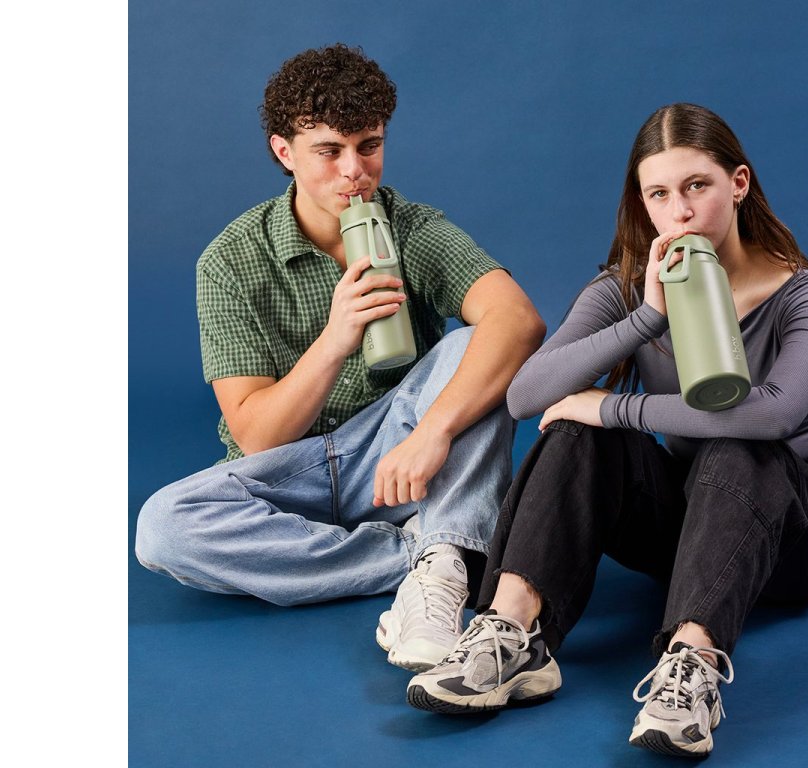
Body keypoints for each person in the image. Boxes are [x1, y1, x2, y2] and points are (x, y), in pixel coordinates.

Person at [405, 103, 808, 758]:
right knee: (576, 433)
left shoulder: (807, 293)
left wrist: (615, 407)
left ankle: (691, 669)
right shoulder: (628, 288)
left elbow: (774, 414)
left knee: (731, 441)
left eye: (697, 185)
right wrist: (647, 316)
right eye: (659, 194)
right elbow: (527, 395)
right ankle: (513, 634)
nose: (681, 211)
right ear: (643, 203)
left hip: (799, 534)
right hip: (695, 530)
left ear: (738, 183)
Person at [134, 44, 545, 674]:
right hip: (288, 476)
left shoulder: (410, 228)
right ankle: (430, 554)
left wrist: (432, 432)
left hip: (398, 462)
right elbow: (256, 437)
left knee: (477, 345)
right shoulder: (230, 261)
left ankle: (439, 571)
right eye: (329, 151)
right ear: (284, 152)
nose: (355, 171)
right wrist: (336, 337)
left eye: (369, 146)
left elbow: (518, 320)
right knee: (165, 526)